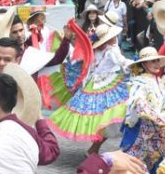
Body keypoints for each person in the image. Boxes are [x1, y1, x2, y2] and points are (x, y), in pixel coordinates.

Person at [49, 25, 130, 154]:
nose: (115, 38)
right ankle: (95, 149)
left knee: (105, 119)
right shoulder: (111, 50)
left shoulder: (94, 50)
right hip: (103, 86)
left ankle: (95, 148)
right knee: (109, 117)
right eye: (113, 37)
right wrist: (135, 65)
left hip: (96, 85)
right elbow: (123, 62)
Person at [119, 47, 165, 172]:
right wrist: (153, 116)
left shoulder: (160, 81)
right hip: (143, 127)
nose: (156, 64)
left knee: (158, 163)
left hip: (159, 129)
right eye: (152, 61)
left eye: (157, 61)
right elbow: (136, 101)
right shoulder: (139, 81)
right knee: (135, 163)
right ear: (144, 64)